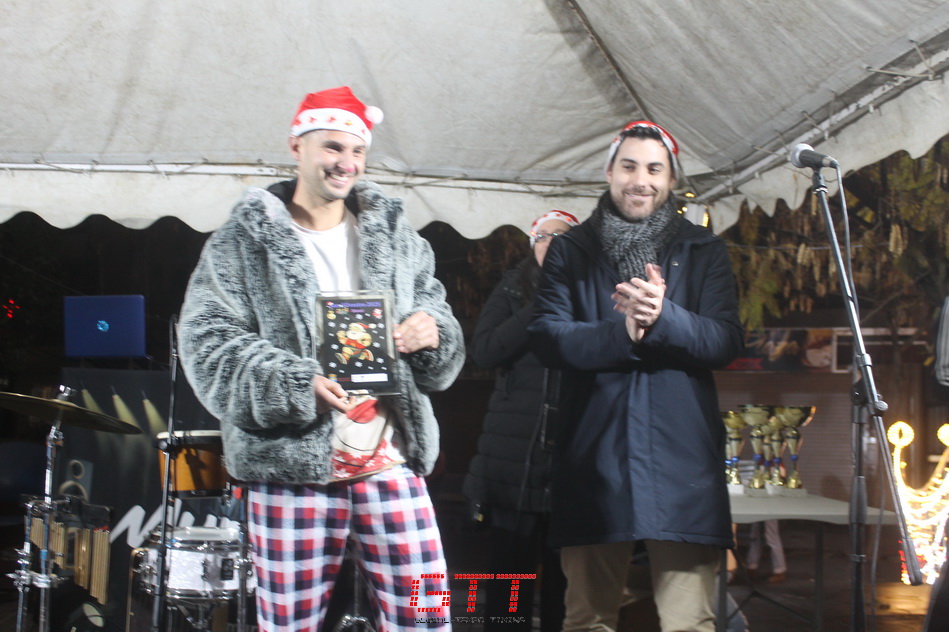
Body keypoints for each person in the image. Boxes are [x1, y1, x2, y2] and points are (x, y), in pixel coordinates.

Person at [177, 86, 465, 631]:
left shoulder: (395, 236)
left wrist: (432, 332)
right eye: (333, 147)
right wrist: (295, 383)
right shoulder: (243, 241)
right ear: (297, 146)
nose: (346, 163)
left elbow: (437, 314)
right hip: (290, 469)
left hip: (389, 461)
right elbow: (208, 342)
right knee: (288, 626)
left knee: (427, 618)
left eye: (357, 151)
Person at [528, 120, 744, 632]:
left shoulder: (703, 250)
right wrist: (623, 332)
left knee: (691, 623)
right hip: (595, 457)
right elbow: (547, 338)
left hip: (682, 463)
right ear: (609, 172)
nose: (640, 180)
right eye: (628, 166)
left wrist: (664, 318)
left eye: (653, 169)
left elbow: (726, 341)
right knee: (587, 620)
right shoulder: (570, 251)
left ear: (671, 180)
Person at [462, 210, 579, 632]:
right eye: (542, 236)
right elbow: (485, 351)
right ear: (533, 245)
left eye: (561, 237)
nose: (551, 243)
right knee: (509, 581)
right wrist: (538, 306)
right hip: (513, 458)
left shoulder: (595, 291)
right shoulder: (514, 287)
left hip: (571, 458)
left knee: (565, 584)